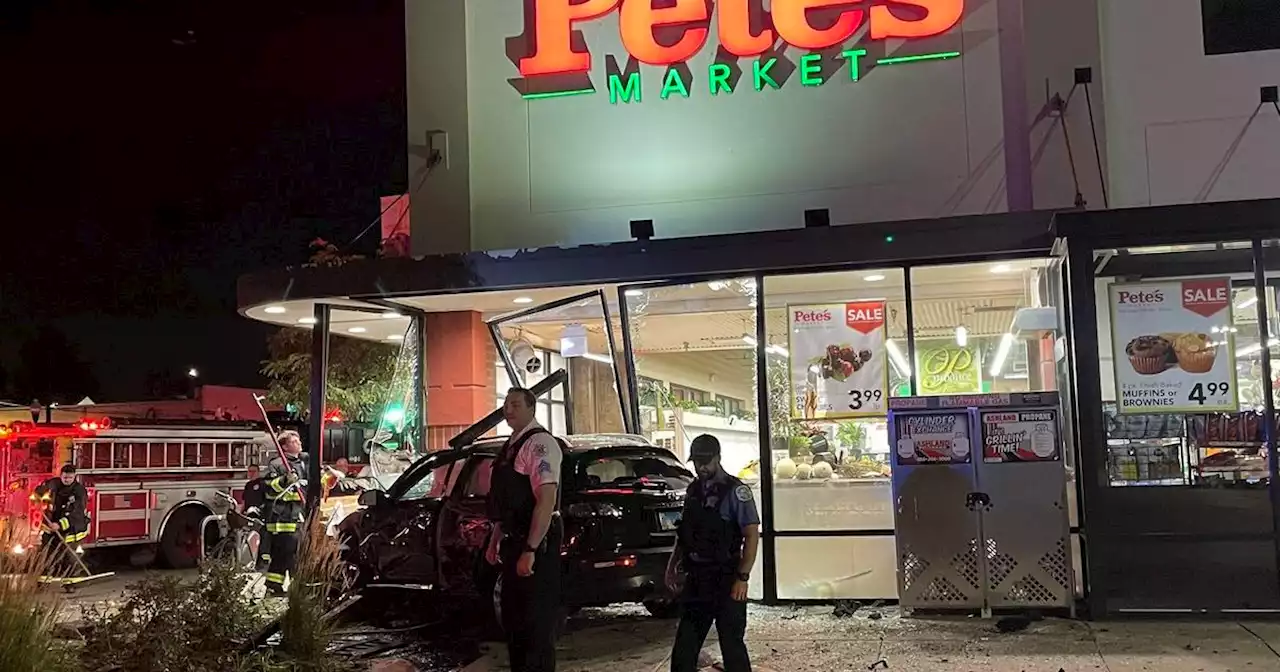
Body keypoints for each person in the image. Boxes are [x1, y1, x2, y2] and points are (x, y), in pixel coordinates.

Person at [484, 387, 563, 672]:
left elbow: (546, 500)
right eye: (506, 405)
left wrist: (530, 550)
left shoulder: (540, 444)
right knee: (515, 623)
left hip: (536, 545)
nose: (508, 410)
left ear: (532, 408)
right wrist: (494, 542)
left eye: (515, 405)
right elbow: (504, 504)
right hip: (512, 541)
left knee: (536, 626)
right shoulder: (511, 445)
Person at [666, 434, 760, 672]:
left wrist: (743, 577)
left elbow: (751, 536)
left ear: (718, 458)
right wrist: (672, 564)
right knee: (685, 647)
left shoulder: (736, 492)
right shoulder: (694, 490)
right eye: (697, 461)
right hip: (698, 577)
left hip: (727, 577)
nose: (701, 467)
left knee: (732, 645)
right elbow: (684, 531)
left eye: (705, 461)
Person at [262, 430, 309, 596]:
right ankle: (276, 587)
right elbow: (269, 488)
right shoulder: (277, 464)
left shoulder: (304, 463)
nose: (299, 444)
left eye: (298, 441)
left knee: (297, 554)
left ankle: (287, 586)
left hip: (300, 516)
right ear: (284, 446)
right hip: (283, 519)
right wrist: (284, 480)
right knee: (284, 555)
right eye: (294, 441)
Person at [35, 464, 90, 570]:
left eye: (70, 478)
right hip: (51, 528)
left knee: (69, 559)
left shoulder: (79, 491)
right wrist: (37, 496)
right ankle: (45, 579)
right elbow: (41, 490)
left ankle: (71, 581)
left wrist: (60, 525)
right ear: (60, 476)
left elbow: (76, 513)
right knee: (47, 555)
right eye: (65, 477)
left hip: (70, 531)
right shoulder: (53, 483)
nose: (67, 480)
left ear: (75, 477)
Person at [242, 464, 271, 572]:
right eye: (249, 471)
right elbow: (244, 501)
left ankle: (261, 561)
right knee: (250, 539)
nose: (251, 473)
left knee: (262, 539)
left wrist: (261, 509)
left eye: (253, 471)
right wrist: (241, 513)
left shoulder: (262, 483)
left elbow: (267, 499)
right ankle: (250, 561)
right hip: (249, 516)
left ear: (258, 472)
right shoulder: (248, 485)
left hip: (260, 517)